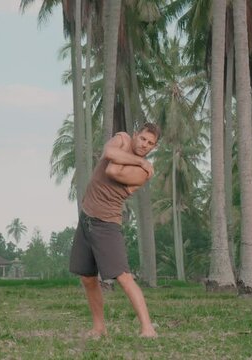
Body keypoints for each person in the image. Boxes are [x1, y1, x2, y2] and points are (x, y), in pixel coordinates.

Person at [69, 122, 161, 339]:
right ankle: (99, 327)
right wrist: (138, 159)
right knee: (88, 278)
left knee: (124, 277)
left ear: (153, 147)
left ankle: (148, 328)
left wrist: (136, 161)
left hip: (106, 224)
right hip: (86, 219)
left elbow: (111, 168)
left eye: (150, 144)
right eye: (143, 139)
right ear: (135, 134)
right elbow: (108, 152)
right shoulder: (123, 140)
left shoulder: (143, 173)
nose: (145, 145)